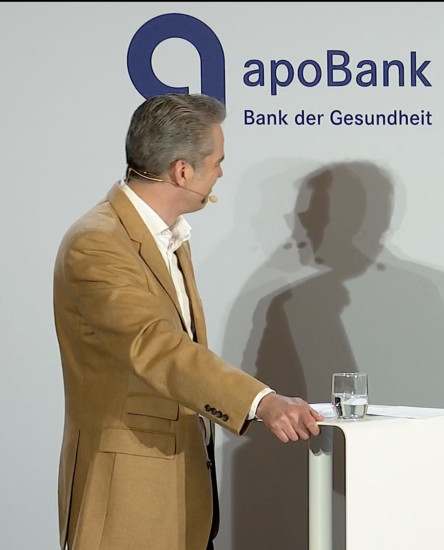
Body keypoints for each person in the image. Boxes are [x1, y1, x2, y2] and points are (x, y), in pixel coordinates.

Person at [53, 93, 325, 550]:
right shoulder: (97, 244)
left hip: (183, 489)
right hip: (128, 495)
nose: (220, 173)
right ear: (183, 171)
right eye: (217, 162)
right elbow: (155, 346)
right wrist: (261, 401)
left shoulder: (167, 237)